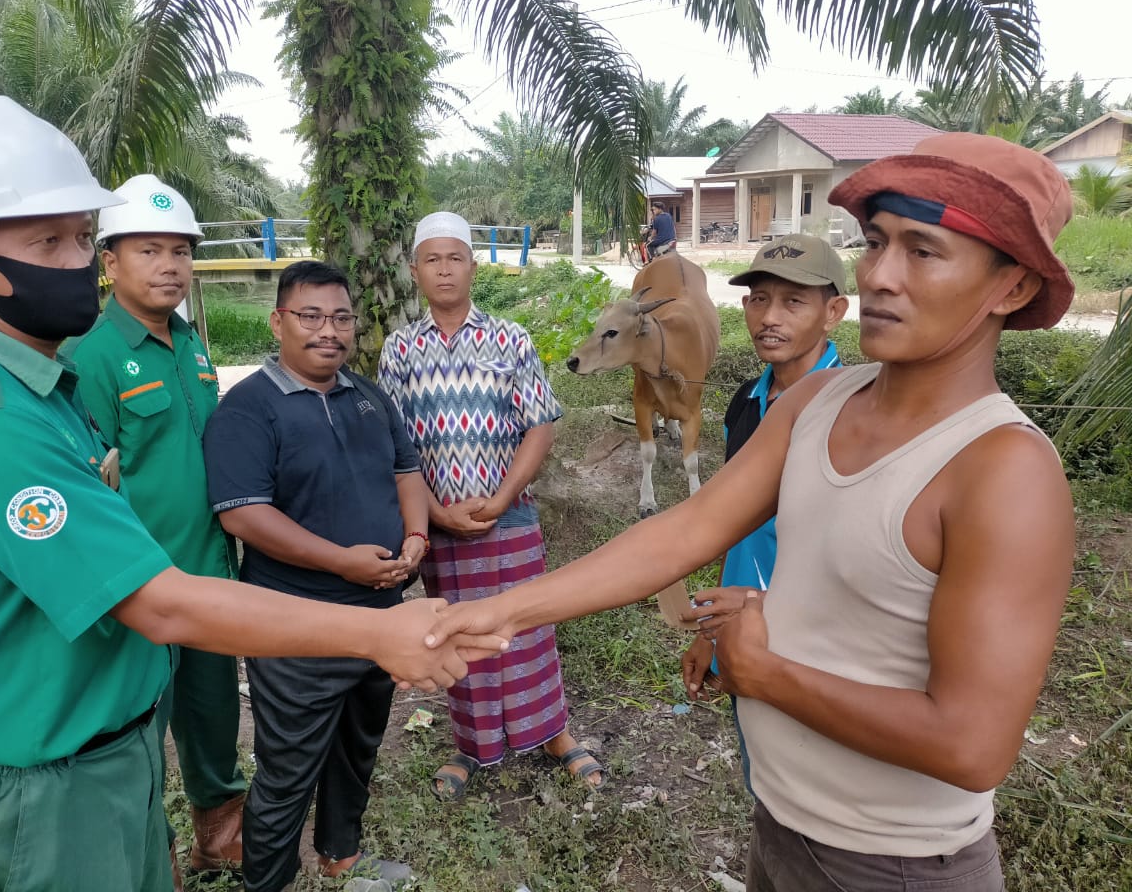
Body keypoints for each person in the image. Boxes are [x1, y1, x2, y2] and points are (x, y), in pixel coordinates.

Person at [428, 133, 1077, 891]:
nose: (880, 276)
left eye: (923, 252)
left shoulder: (1003, 471)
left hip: (892, 863)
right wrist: (499, 613)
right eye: (874, 243)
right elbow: (685, 530)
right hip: (780, 824)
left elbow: (973, 746)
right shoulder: (817, 401)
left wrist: (766, 669)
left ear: (1014, 288)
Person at [0, 95, 499, 892]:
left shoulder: (41, 383)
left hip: (93, 750)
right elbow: (163, 602)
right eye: (49, 241)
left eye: (80, 236)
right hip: (37, 783)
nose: (77, 262)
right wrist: (372, 631)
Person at [202, 260, 428, 892]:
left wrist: (416, 538)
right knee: (288, 767)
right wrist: (340, 560)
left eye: (340, 318)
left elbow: (405, 470)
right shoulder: (248, 410)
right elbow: (244, 516)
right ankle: (267, 882)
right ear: (278, 321)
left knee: (359, 743)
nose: (328, 331)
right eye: (310, 317)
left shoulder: (367, 396)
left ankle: (341, 855)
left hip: (381, 614)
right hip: (296, 621)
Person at [377, 211, 603, 803]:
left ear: (473, 266)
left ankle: (554, 732)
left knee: (526, 625)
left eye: (456, 258)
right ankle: (472, 743)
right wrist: (434, 512)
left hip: (511, 515)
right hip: (439, 524)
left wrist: (501, 500)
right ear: (416, 270)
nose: (445, 269)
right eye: (433, 259)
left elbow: (540, 426)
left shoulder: (511, 338)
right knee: (455, 636)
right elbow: (395, 447)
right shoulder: (401, 350)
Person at [60, 174, 247, 882]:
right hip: (143, 588)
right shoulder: (91, 355)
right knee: (139, 730)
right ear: (110, 262)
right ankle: (149, 859)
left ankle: (221, 836)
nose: (169, 265)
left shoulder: (190, 342)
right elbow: (90, 479)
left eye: (179, 251)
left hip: (206, 570)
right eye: (148, 250)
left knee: (212, 713)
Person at [680, 234, 848, 725]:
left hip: (817, 648)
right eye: (759, 299)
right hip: (741, 630)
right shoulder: (746, 403)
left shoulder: (853, 415)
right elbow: (737, 528)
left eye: (794, 301)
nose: (770, 317)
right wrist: (711, 635)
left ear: (833, 311)